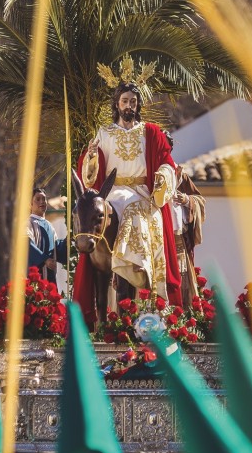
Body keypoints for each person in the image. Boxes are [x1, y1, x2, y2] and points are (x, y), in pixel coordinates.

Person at [74, 77, 181, 323]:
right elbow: (90, 176)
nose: (129, 106)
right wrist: (90, 157)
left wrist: (164, 176)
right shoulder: (105, 133)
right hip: (113, 193)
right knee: (100, 216)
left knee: (136, 214)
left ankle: (138, 278)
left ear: (138, 104)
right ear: (117, 104)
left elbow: (167, 161)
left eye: (133, 101)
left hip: (143, 193)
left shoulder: (150, 132)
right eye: (124, 101)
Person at [164, 132, 206, 306]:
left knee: (182, 287)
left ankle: (182, 325)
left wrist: (187, 200)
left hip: (177, 240)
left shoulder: (180, 175)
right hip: (155, 240)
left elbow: (200, 201)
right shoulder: (147, 175)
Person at [28, 187, 67, 285]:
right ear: (30, 204)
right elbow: (27, 244)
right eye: (37, 199)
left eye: (44, 199)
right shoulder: (27, 223)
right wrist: (44, 259)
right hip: (33, 280)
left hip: (50, 280)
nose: (42, 202)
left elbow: (56, 249)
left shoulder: (50, 226)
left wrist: (68, 241)